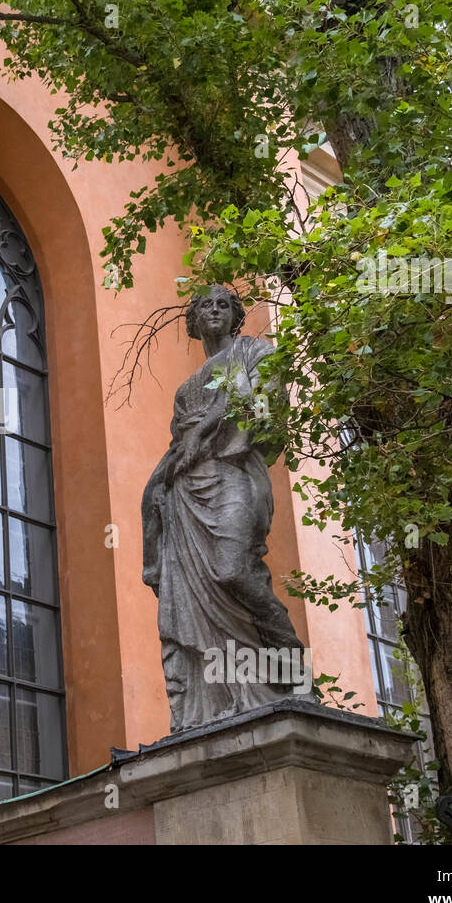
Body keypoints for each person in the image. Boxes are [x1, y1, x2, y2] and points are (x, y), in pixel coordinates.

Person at [141, 285, 308, 731]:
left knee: (233, 570)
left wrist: (204, 432)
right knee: (191, 591)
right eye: (204, 306)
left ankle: (287, 662)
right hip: (186, 493)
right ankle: (215, 702)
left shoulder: (257, 352)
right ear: (193, 321)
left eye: (223, 305)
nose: (213, 310)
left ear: (235, 316)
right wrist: (157, 488)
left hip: (233, 474)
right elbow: (178, 445)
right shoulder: (186, 388)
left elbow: (262, 409)